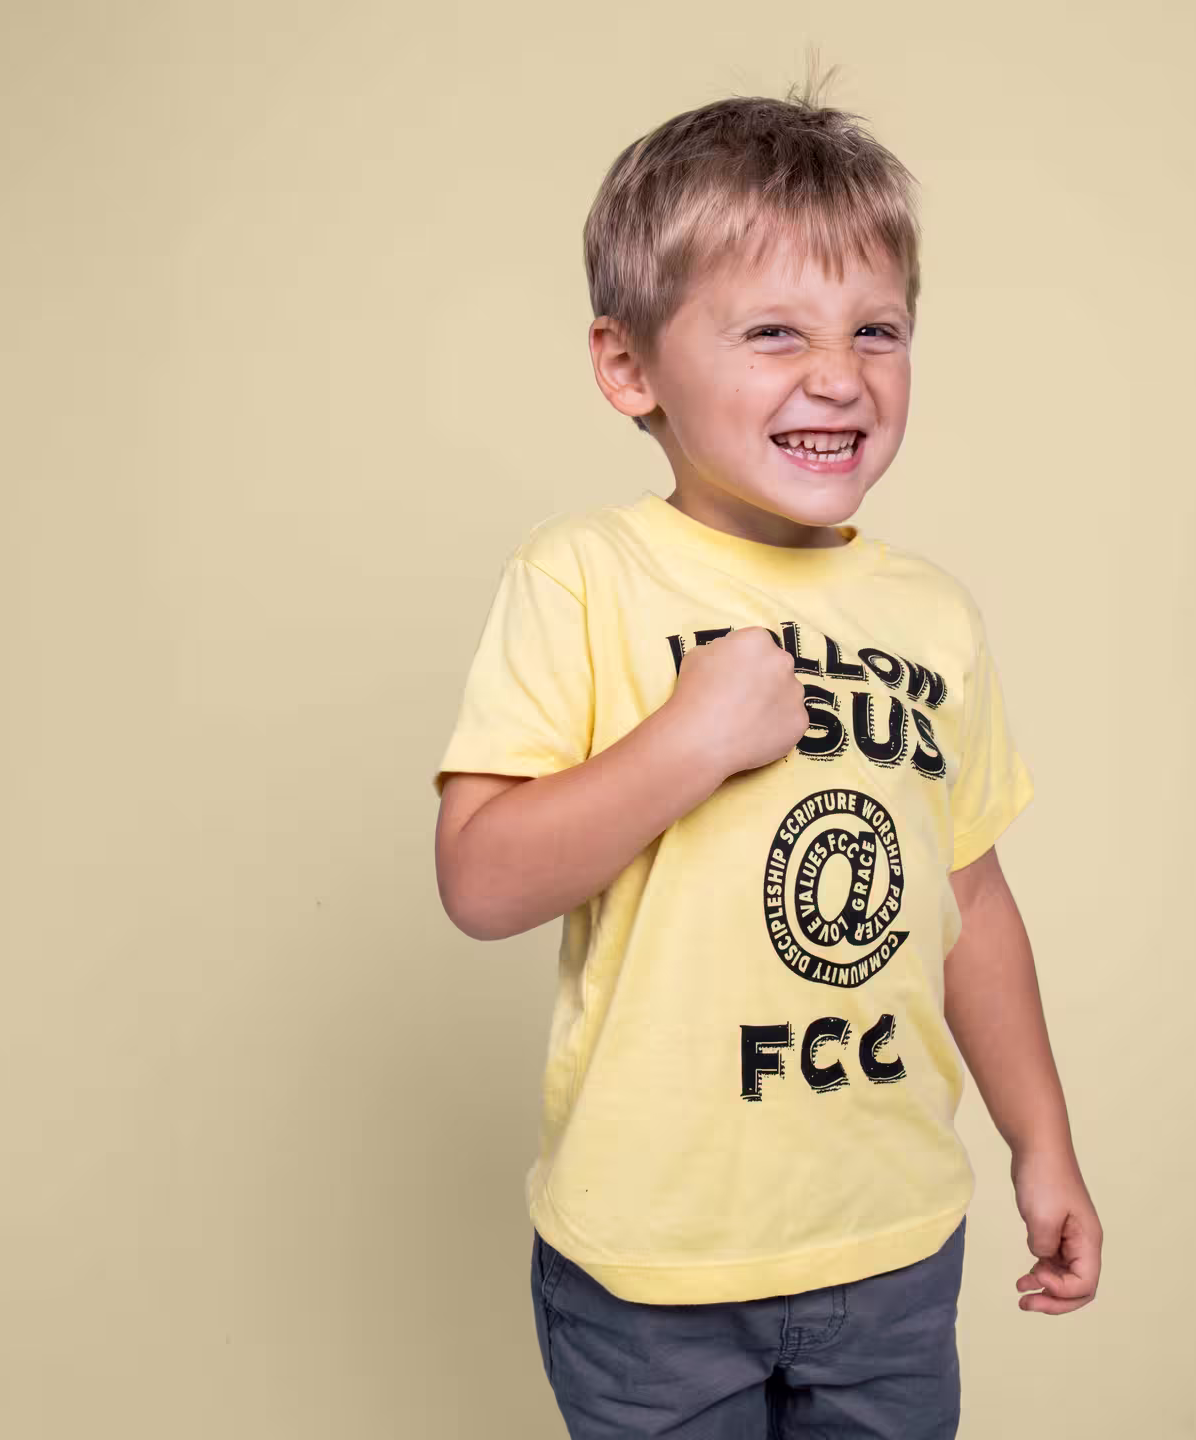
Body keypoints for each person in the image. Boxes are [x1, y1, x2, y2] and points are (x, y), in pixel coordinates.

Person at [429, 71, 1102, 1438]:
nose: (840, 376)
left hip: (892, 1248)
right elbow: (483, 884)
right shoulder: (588, 579)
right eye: (773, 332)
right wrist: (686, 743)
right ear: (630, 368)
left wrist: (1045, 1142)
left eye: (879, 330)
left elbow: (969, 900)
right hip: (656, 1267)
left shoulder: (931, 616)